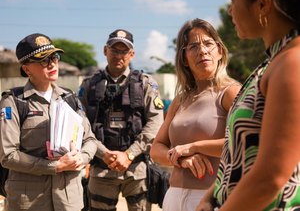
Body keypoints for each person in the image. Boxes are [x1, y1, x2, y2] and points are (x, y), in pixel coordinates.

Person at [195, 0, 300, 211]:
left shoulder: (292, 63)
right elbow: (243, 157)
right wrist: (211, 195)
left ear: (263, 3)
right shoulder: (274, 62)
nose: (230, 9)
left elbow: (271, 176)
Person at [149, 18, 241, 211]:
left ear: (220, 51)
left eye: (208, 43)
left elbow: (242, 143)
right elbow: (156, 149)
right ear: (184, 58)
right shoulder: (180, 100)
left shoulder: (231, 92)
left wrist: (192, 147)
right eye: (193, 46)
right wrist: (181, 158)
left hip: (211, 199)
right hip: (172, 196)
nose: (202, 51)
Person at [0, 33, 97, 211]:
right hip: (29, 201)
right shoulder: (13, 101)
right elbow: (8, 155)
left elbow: (90, 140)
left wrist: (80, 159)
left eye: (54, 57)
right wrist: (56, 166)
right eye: (43, 60)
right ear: (27, 69)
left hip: (68, 200)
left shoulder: (70, 99)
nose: (52, 63)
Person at [78, 29, 164, 211]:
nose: (118, 55)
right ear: (105, 50)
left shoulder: (145, 83)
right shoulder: (89, 85)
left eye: (123, 51)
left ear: (131, 54)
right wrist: (103, 154)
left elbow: (155, 123)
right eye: (114, 50)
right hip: (101, 169)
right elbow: (80, 125)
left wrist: (129, 154)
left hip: (136, 170)